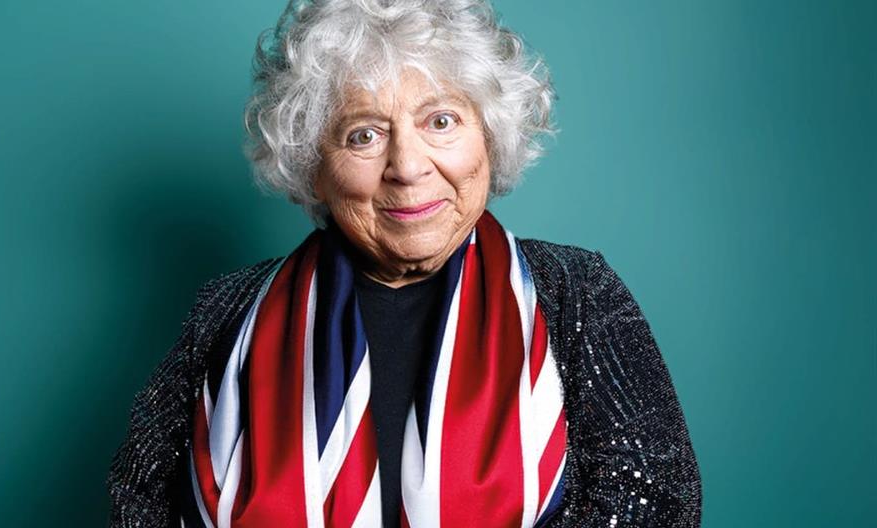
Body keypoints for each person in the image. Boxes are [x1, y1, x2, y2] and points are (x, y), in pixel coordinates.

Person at [107, 0, 702, 526]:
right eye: (364, 135)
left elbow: (660, 499)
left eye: (440, 122)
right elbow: (137, 503)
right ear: (313, 164)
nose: (408, 167)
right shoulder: (226, 312)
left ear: (489, 138)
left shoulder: (575, 292)